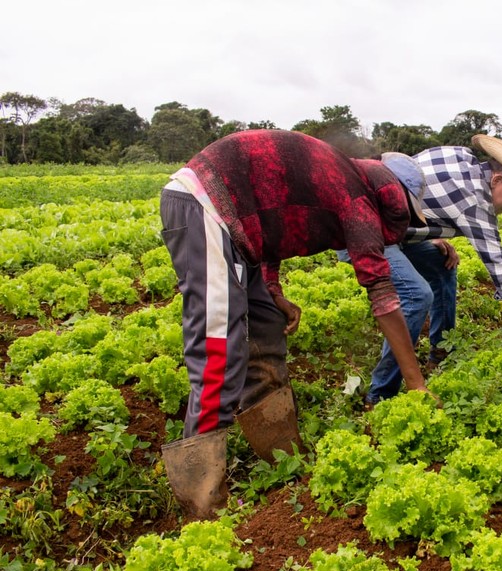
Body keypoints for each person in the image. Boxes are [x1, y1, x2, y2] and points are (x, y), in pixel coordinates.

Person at [159, 129, 431, 518]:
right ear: (394, 197)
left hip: (235, 219)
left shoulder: (343, 180)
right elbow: (382, 294)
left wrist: (272, 289)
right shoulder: (356, 196)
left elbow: (274, 218)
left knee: (267, 326)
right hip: (205, 204)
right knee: (219, 348)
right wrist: (416, 383)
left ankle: (282, 459)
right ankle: (203, 506)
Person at [360, 134, 502, 405]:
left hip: (394, 226)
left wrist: (429, 235)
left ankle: (441, 352)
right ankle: (380, 395)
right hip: (363, 229)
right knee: (417, 295)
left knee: (442, 265)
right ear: (498, 180)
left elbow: (414, 189)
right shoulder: (475, 203)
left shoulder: (460, 156)